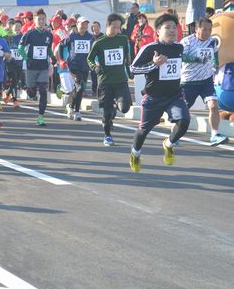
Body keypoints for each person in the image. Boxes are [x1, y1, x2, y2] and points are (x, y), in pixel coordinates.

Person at [129, 13, 189, 172]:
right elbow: (133, 68)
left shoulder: (179, 47)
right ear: (157, 31)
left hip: (174, 95)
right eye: (167, 27)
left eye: (174, 27)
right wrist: (154, 64)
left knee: (184, 121)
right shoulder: (150, 48)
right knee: (143, 131)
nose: (172, 30)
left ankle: (168, 144)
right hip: (153, 97)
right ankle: (135, 153)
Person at [87, 14, 132, 146]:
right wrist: (95, 67)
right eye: (114, 27)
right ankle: (107, 136)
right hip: (105, 81)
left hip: (120, 81)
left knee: (124, 108)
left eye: (119, 27)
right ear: (107, 25)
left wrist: (129, 72)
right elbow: (89, 59)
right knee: (107, 113)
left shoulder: (123, 39)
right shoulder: (99, 42)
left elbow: (127, 57)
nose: (117, 30)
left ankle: (113, 109)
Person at [180, 17, 227, 145]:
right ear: (196, 29)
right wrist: (195, 59)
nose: (207, 32)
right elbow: (180, 56)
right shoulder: (187, 41)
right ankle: (176, 134)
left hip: (206, 81)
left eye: (209, 29)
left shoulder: (212, 42)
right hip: (189, 82)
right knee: (183, 111)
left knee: (213, 105)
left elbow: (214, 56)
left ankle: (214, 134)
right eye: (204, 29)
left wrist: (216, 65)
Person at [19, 9, 56, 126]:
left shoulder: (49, 35)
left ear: (45, 20)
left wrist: (52, 56)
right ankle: (30, 90)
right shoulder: (29, 34)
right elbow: (20, 47)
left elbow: (48, 49)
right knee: (31, 92)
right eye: (38, 19)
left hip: (43, 67)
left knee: (43, 91)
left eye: (43, 19)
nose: (41, 21)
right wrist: (26, 58)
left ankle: (41, 117)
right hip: (31, 67)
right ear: (34, 21)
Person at [60, 17, 94, 121]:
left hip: (85, 66)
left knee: (79, 89)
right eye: (82, 24)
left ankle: (71, 106)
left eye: (86, 24)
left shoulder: (90, 37)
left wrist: (95, 61)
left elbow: (95, 50)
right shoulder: (72, 36)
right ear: (77, 24)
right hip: (73, 66)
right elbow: (61, 46)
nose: (84, 26)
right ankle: (77, 111)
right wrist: (61, 60)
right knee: (79, 87)